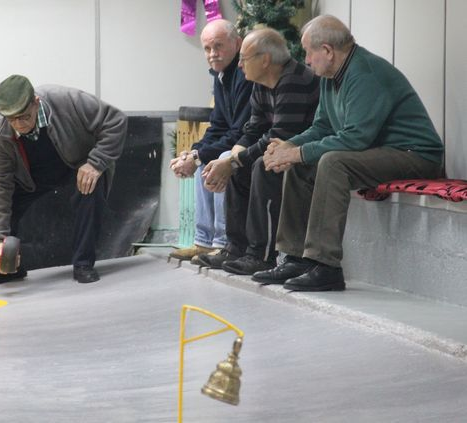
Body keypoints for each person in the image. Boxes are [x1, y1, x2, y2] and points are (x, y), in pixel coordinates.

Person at [258, 15, 444, 291]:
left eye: (309, 52)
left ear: (328, 51)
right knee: (301, 163)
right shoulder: (330, 75)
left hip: (415, 155)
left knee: (333, 162)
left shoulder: (365, 73)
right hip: (381, 152)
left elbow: (356, 138)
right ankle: (295, 258)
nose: (306, 60)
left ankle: (326, 267)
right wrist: (289, 146)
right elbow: (322, 127)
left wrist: (297, 153)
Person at [0, 74, 127, 286]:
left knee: (90, 189)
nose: (19, 124)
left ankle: (83, 264)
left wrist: (96, 163)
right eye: (11, 119)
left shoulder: (67, 101)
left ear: (36, 103)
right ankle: (9, 269)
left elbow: (116, 121)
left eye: (24, 117)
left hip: (77, 164)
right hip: (33, 177)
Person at [199, 28, 320, 274]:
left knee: (259, 167)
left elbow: (281, 136)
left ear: (265, 60)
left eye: (245, 58)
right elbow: (253, 130)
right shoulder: (262, 82)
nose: (240, 65)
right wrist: (231, 161)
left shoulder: (294, 79)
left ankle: (261, 255)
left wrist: (234, 161)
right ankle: (236, 248)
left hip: (306, 153)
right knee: (237, 168)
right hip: (282, 150)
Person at [169, 19, 253, 264]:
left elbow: (240, 131)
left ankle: (223, 242)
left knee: (220, 158)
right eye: (207, 48)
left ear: (236, 44)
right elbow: (217, 125)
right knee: (204, 156)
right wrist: (193, 153)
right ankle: (203, 243)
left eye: (218, 46)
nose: (212, 54)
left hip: (252, 146)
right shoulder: (220, 76)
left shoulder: (246, 77)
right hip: (237, 140)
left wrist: (198, 157)